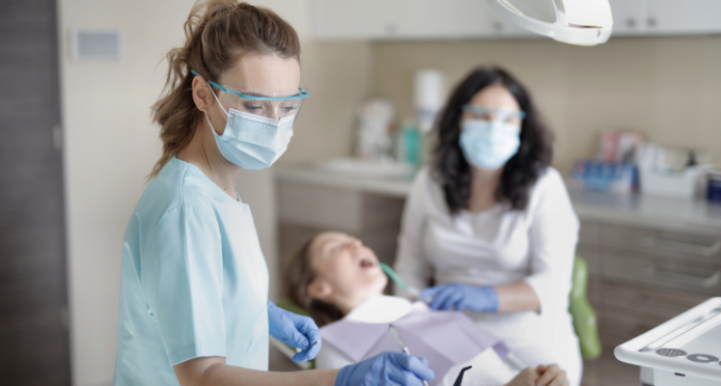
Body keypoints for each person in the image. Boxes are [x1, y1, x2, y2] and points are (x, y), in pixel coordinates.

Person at [113, 1, 434, 385]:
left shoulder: (220, 190)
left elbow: (200, 290)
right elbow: (203, 378)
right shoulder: (187, 209)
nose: (273, 123)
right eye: (253, 105)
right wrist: (340, 380)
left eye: (286, 106)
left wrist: (259, 312)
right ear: (201, 94)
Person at [394, 67, 582, 385]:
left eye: (507, 118)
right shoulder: (429, 183)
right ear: (458, 120)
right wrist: (412, 321)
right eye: (481, 116)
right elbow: (408, 270)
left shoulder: (544, 186)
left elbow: (552, 285)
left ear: (523, 125)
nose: (494, 127)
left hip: (527, 336)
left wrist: (483, 297)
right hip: (449, 334)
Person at [284, 231, 570, 386]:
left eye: (356, 240)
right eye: (336, 248)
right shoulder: (334, 343)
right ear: (319, 288)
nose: (356, 244)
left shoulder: (427, 310)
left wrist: (545, 379)